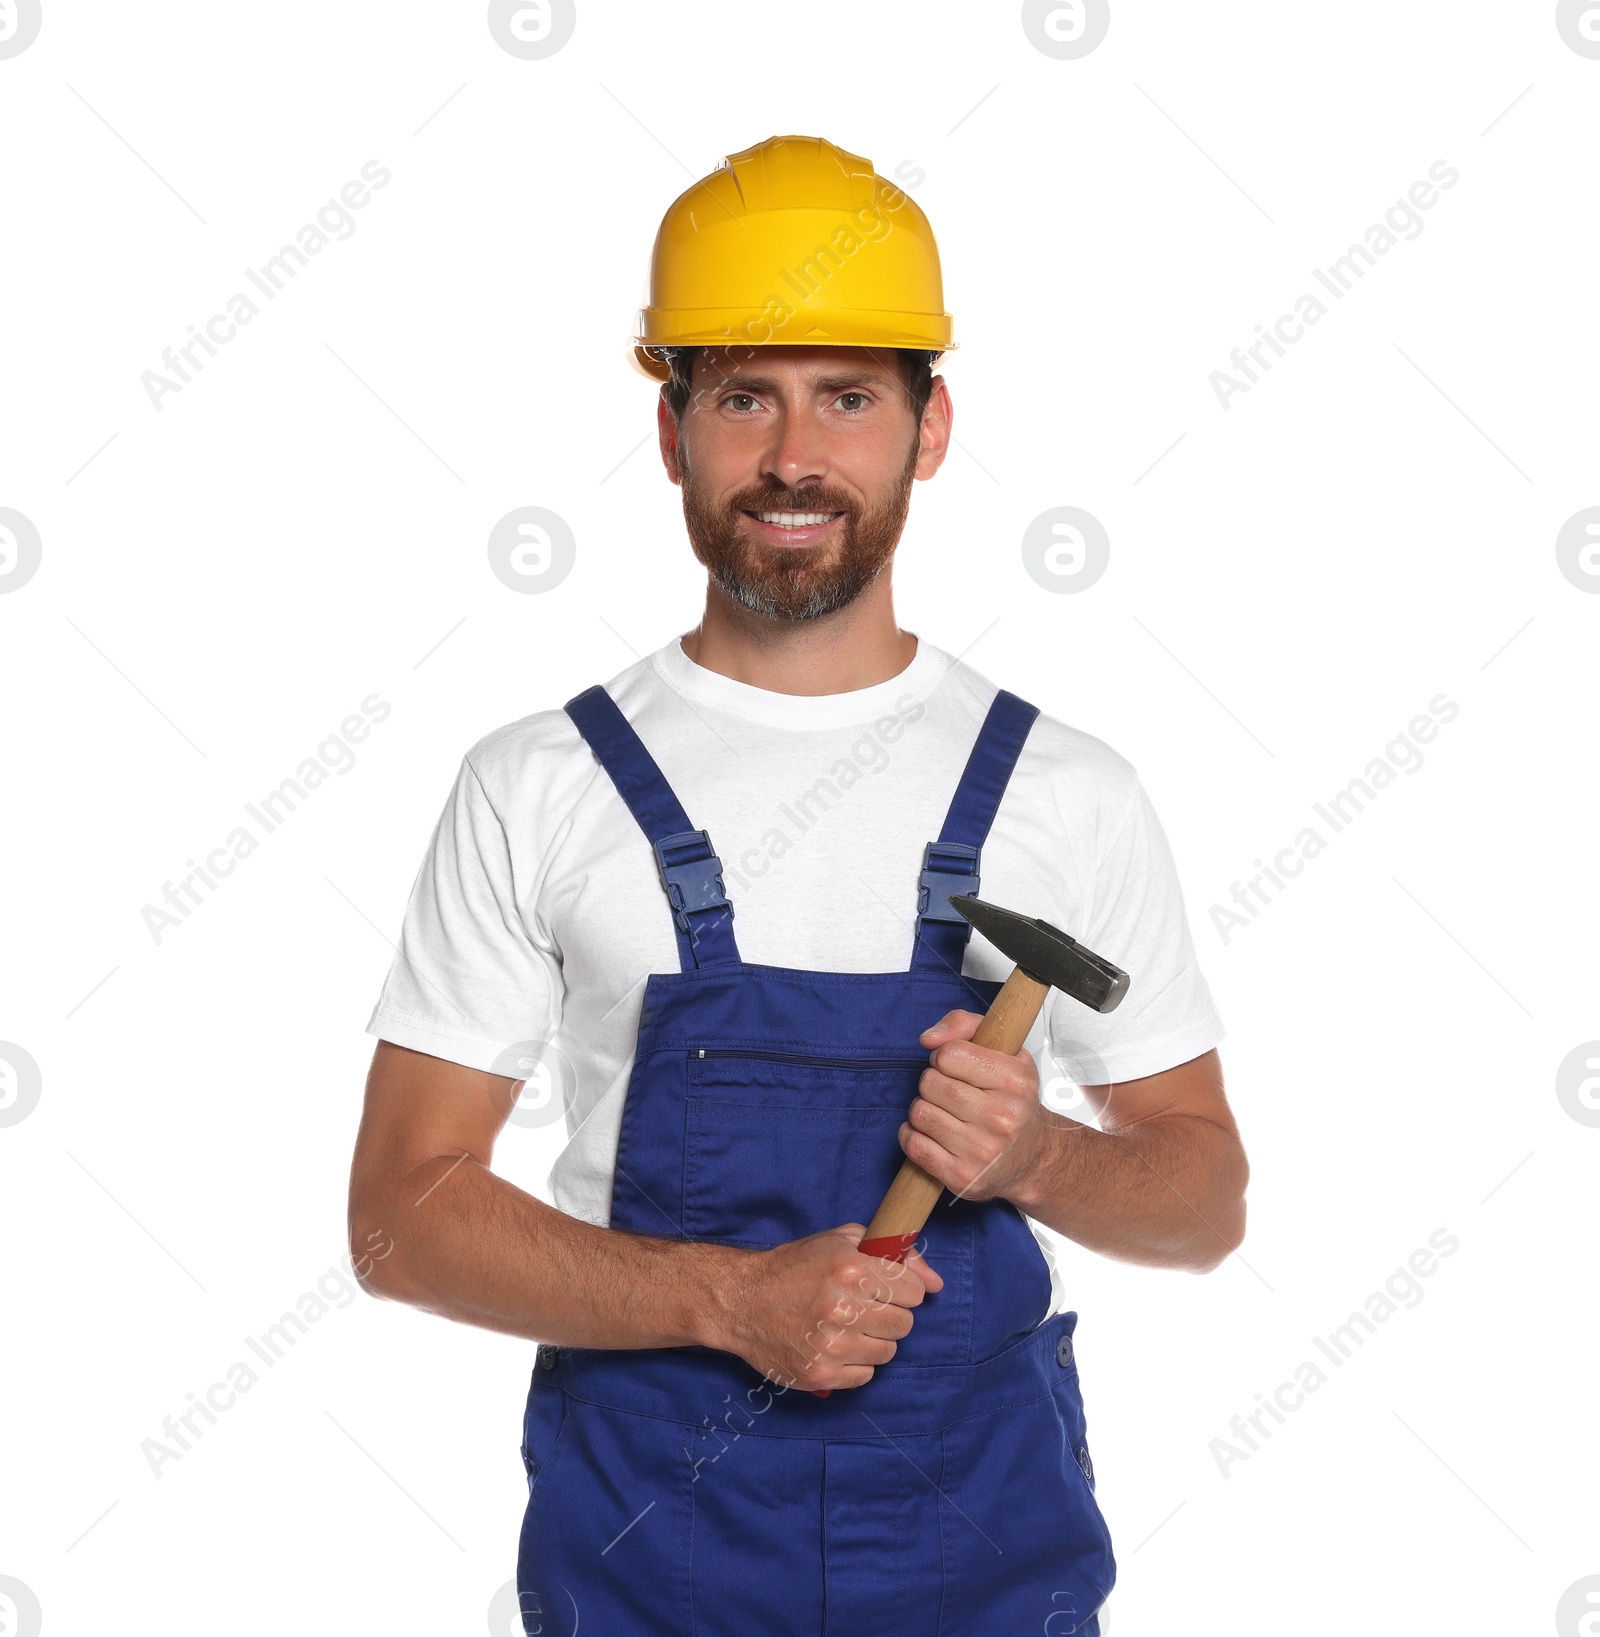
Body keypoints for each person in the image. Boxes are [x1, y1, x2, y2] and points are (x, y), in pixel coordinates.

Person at [348, 134, 1248, 1637]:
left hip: (985, 1564)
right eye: (743, 397)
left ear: (930, 425)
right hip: (648, 1560)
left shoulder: (1068, 789)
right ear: (671, 427)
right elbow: (398, 1219)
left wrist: (1039, 1160)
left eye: (848, 396)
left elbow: (1204, 1199)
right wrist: (723, 1301)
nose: (792, 457)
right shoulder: (538, 784)